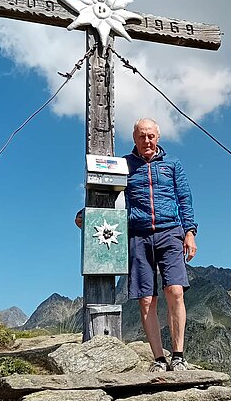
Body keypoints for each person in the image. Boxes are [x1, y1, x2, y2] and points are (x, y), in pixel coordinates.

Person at [76, 118, 197, 372]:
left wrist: (189, 232)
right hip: (138, 235)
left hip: (170, 232)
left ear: (159, 137)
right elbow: (105, 189)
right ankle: (159, 359)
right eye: (142, 136)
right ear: (134, 139)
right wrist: (85, 214)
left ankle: (178, 356)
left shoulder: (173, 164)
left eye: (151, 136)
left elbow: (184, 198)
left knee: (175, 291)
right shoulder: (125, 165)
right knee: (145, 300)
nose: (147, 141)